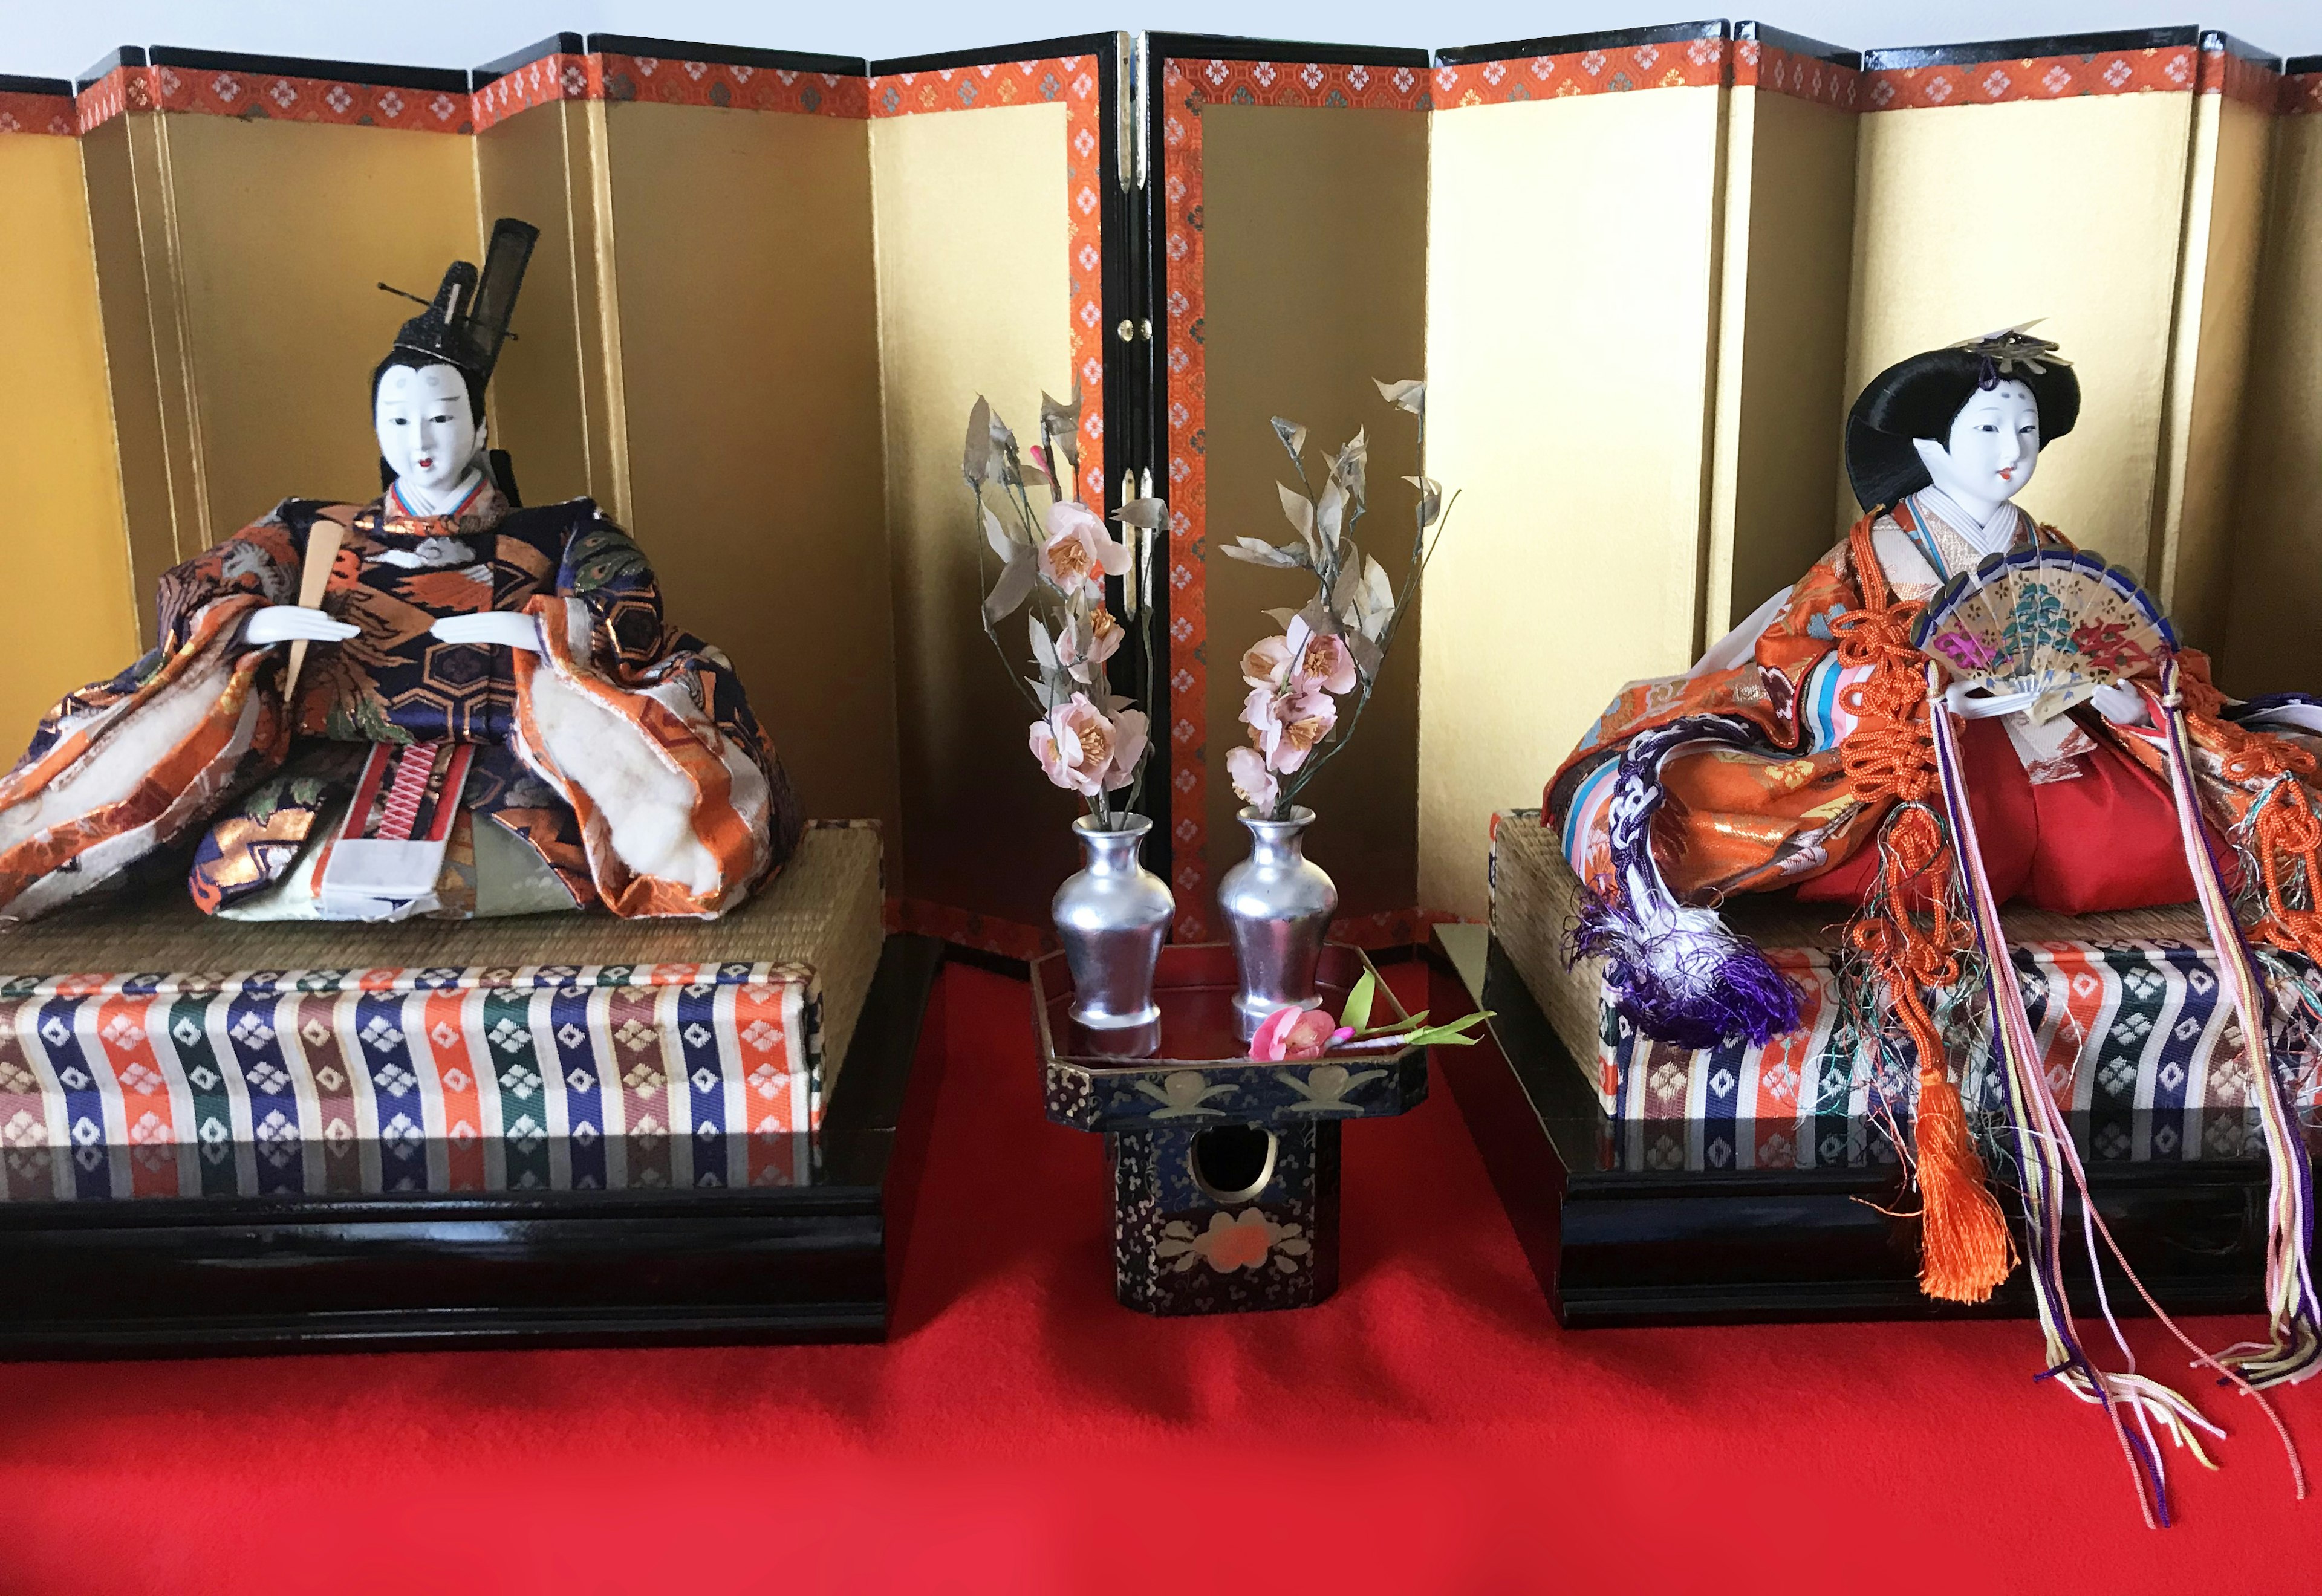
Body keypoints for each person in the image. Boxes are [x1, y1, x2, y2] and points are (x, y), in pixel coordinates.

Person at [0, 219, 798, 923]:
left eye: (445, 416)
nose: (423, 437)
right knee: (230, 862)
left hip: (507, 772)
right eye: (400, 418)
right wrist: (252, 624)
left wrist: (542, 631)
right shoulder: (313, 526)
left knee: (592, 821)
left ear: (482, 424)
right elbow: (211, 579)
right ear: (377, 428)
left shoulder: (558, 528)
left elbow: (628, 600)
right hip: (327, 773)